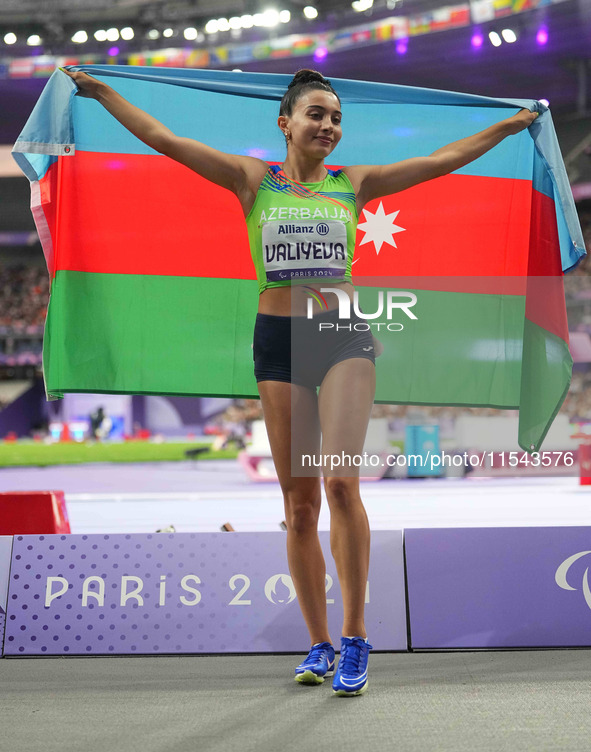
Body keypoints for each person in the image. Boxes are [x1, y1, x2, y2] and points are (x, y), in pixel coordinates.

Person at [60, 66, 538, 696]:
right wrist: (102, 92)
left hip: (341, 337)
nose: (329, 127)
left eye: (336, 118)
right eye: (316, 114)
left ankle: (357, 637)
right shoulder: (251, 179)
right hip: (278, 343)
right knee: (299, 504)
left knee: (341, 481)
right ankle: (319, 643)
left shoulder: (354, 183)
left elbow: (444, 158)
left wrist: (512, 123)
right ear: (284, 123)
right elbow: (161, 137)